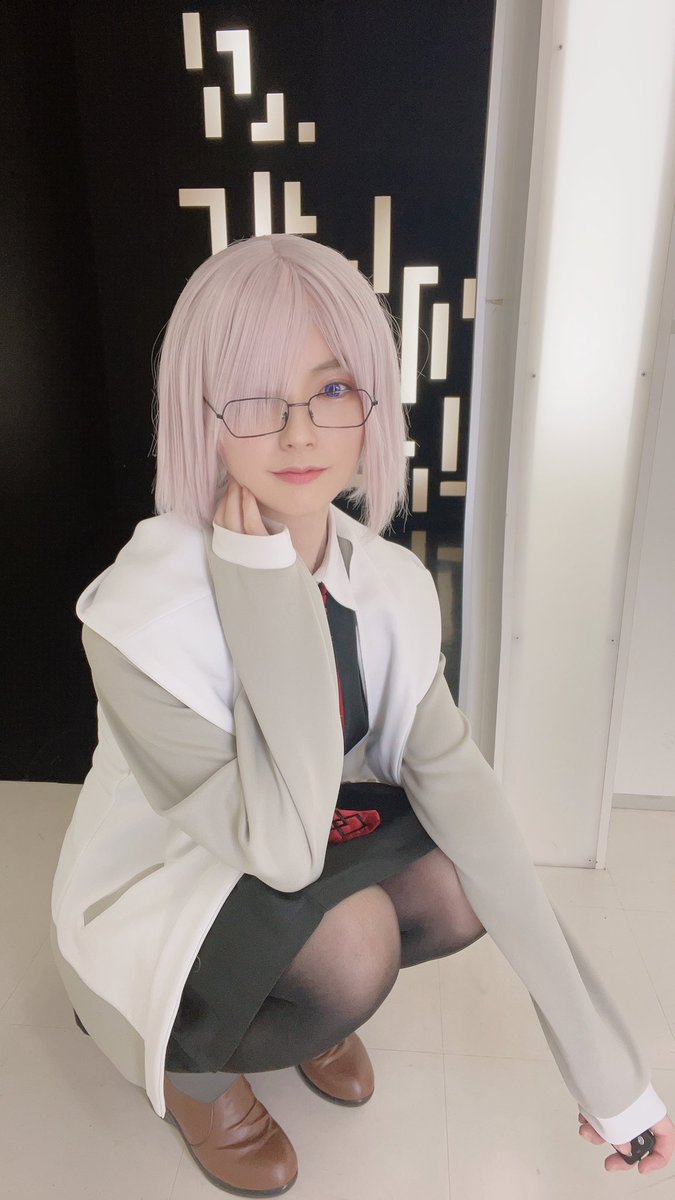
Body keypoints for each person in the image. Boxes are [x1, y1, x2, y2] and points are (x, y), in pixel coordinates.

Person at [51, 233, 674, 1195]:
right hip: (167, 881)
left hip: (294, 838)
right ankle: (195, 1073)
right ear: (198, 413)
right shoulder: (138, 616)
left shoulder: (385, 582)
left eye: (333, 389)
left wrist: (611, 1079)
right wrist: (264, 591)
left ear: (371, 404)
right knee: (352, 950)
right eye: (254, 398)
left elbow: (477, 816)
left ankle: (298, 1006)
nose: (299, 433)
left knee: (464, 878)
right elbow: (280, 849)